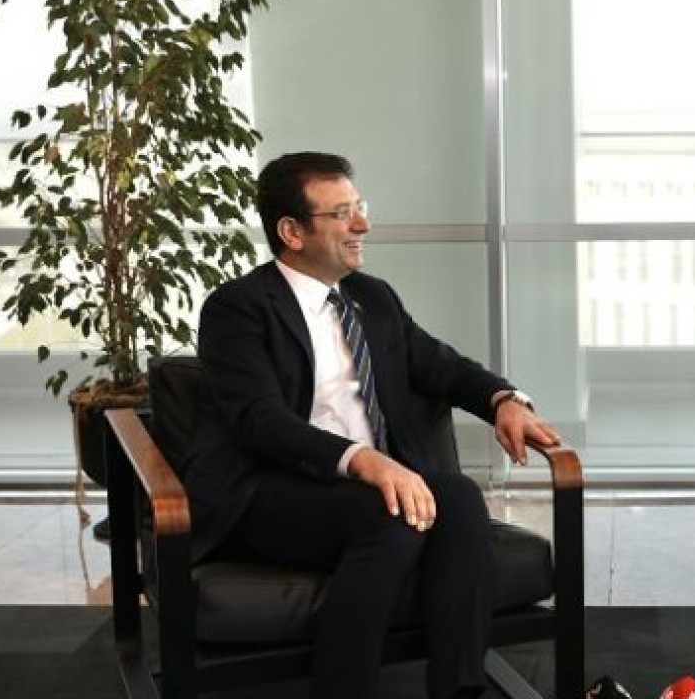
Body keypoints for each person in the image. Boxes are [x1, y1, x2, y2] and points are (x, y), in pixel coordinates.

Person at [183, 151, 561, 699]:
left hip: (364, 486)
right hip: (268, 490)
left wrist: (504, 400)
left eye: (360, 207)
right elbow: (257, 420)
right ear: (292, 232)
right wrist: (363, 460)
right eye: (342, 213)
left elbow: (440, 364)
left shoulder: (371, 297)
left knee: (456, 497)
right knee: (393, 516)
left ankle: (458, 689)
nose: (362, 224)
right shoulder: (238, 308)